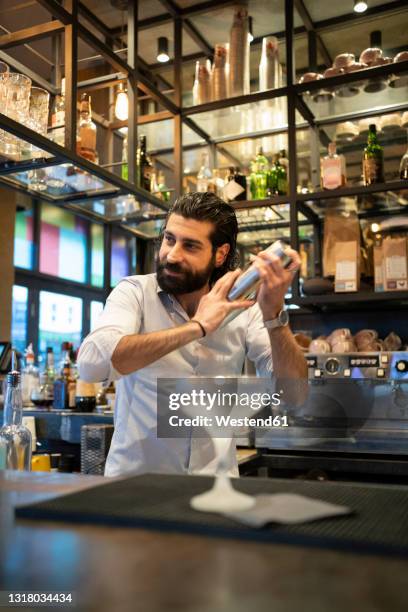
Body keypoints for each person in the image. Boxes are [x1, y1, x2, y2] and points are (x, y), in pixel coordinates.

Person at [78, 192, 307, 477]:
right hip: (136, 490)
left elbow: (294, 396)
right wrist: (196, 327)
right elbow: (90, 366)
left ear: (220, 254)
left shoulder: (244, 309)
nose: (172, 255)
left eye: (190, 246)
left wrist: (275, 316)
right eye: (169, 239)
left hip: (216, 490)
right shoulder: (135, 293)